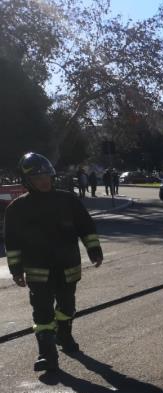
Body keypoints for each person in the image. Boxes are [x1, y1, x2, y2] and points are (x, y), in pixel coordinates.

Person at [4, 153, 103, 372]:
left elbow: (86, 227)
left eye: (46, 175)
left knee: (67, 306)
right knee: (42, 312)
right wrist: (16, 270)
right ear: (27, 180)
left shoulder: (68, 200)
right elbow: (12, 243)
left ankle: (64, 336)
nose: (44, 180)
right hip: (37, 270)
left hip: (68, 267)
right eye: (38, 177)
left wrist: (94, 250)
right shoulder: (17, 208)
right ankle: (46, 355)